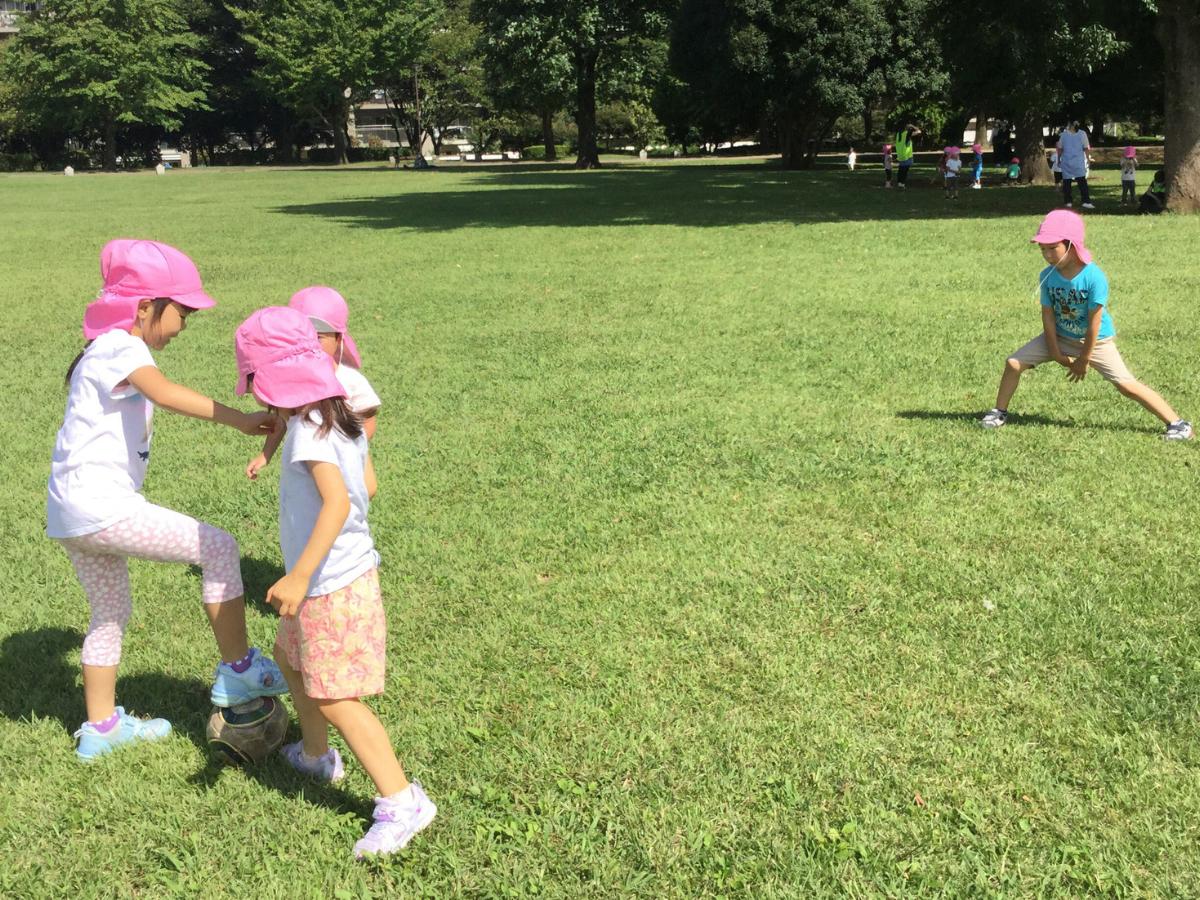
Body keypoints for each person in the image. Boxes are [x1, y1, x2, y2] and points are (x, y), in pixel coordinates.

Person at [48, 239, 288, 761]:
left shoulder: (100, 348)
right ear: (144, 308)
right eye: (182, 311)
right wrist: (240, 419)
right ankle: (241, 671)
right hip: (102, 506)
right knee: (220, 547)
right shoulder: (122, 346)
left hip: (69, 513)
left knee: (109, 612)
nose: (184, 323)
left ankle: (102, 727)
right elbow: (163, 392)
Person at [234, 306, 437, 858]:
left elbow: (339, 502)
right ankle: (316, 754)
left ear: (269, 377)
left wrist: (299, 575)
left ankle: (402, 800)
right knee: (295, 662)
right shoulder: (332, 412)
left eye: (252, 378)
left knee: (336, 694)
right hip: (330, 576)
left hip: (331, 582)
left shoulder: (307, 428)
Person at [980, 210, 1191, 440]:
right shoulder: (1047, 275)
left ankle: (1178, 424)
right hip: (1060, 336)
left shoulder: (1094, 277)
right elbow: (1048, 316)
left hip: (1096, 341)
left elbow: (1094, 323)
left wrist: (1083, 360)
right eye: (1042, 249)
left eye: (1053, 248)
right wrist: (1054, 351)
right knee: (1013, 363)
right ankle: (998, 412)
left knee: (1126, 385)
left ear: (1071, 245)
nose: (1047, 255)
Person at [246, 286, 381, 480]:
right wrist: (265, 455)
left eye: (318, 338)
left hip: (341, 468)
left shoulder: (351, 381)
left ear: (339, 339)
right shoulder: (292, 381)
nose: (309, 345)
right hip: (303, 468)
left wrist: (348, 452)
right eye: (301, 338)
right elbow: (284, 421)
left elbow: (367, 420)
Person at [1056, 122, 1094, 209]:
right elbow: (1086, 148)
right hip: (1073, 162)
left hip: (1073, 162)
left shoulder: (1065, 135)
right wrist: (1088, 159)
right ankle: (1084, 201)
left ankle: (1069, 202)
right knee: (1079, 182)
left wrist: (1059, 159)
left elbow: (1060, 148)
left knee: (1070, 182)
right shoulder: (1078, 134)